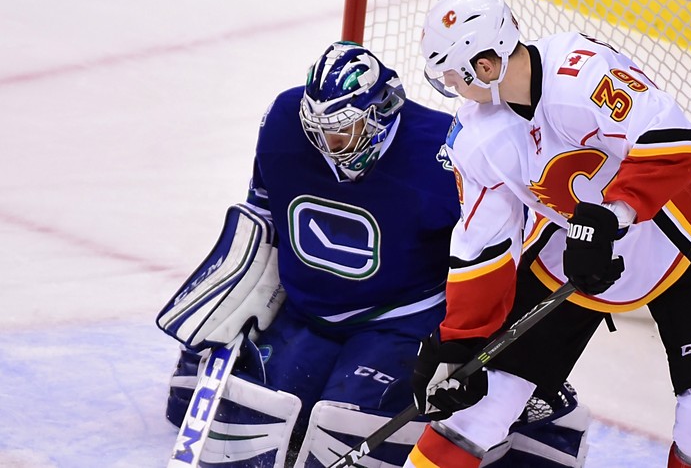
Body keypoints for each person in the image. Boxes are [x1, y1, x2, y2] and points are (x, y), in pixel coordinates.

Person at [156, 41, 590, 468]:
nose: (328, 145)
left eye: (342, 130)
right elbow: (263, 210)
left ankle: (532, 402)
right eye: (318, 131)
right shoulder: (284, 123)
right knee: (250, 414)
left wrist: (487, 345)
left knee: (343, 431)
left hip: (402, 319)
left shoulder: (447, 151)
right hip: (309, 310)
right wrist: (242, 286)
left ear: (382, 111)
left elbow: (499, 246)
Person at [407, 0, 691, 468]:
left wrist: (611, 218)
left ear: (485, 65)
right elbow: (482, 245)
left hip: (674, 232)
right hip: (568, 249)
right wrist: (458, 340)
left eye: (453, 75)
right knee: (476, 409)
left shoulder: (583, 69)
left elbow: (673, 143)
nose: (452, 87)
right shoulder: (476, 138)